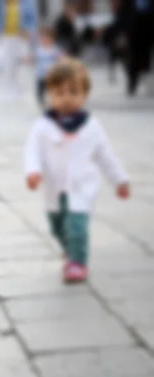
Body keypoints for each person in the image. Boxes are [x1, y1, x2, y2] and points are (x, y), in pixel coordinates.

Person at [24, 59, 130, 283]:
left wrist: (120, 180)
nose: (67, 98)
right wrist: (32, 171)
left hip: (82, 186)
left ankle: (78, 262)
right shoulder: (42, 126)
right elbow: (32, 151)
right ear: (50, 94)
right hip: (54, 186)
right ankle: (69, 249)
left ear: (85, 94)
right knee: (56, 224)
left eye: (74, 91)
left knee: (77, 224)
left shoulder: (91, 126)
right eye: (59, 92)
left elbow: (105, 155)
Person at [0, 0, 38, 100]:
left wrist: (30, 31)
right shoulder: (1, 2)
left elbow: (33, 17)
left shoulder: (30, 2)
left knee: (22, 63)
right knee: (8, 63)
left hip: (22, 35)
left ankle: (21, 88)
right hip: (6, 35)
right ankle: (8, 88)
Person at [117, 0, 154, 96]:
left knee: (148, 59)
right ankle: (132, 83)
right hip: (133, 34)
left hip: (149, 33)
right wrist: (121, 33)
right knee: (133, 60)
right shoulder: (129, 2)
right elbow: (122, 15)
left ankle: (148, 82)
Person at [34, 26, 64, 108]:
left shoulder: (54, 49)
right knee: (40, 90)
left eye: (47, 38)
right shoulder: (39, 50)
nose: (45, 40)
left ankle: (54, 101)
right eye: (43, 38)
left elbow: (61, 57)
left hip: (51, 75)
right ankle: (41, 101)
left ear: (52, 39)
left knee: (52, 89)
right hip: (40, 75)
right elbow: (34, 58)